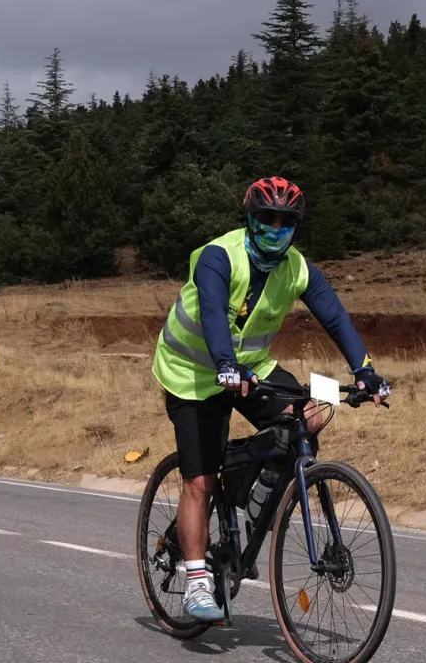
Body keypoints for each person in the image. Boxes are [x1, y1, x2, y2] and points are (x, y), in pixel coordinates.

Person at [151, 176, 391, 622]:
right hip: (192, 373)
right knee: (200, 480)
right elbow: (213, 315)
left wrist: (365, 371)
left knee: (311, 414)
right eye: (267, 218)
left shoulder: (297, 268)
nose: (276, 228)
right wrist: (225, 364)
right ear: (250, 218)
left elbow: (334, 316)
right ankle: (197, 580)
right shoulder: (219, 257)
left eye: (286, 221)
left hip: (250, 366)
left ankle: (257, 495)